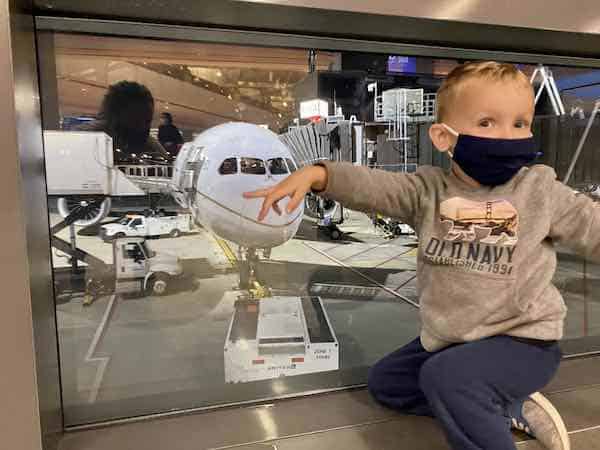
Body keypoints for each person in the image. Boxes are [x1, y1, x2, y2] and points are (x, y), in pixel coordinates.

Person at [243, 61, 595, 450]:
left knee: (448, 379)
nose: (508, 137)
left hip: (522, 341)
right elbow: (374, 186)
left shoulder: (539, 191)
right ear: (444, 137)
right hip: (453, 341)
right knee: (388, 384)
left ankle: (485, 404)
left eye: (520, 123)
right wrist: (317, 175)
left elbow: (590, 225)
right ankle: (503, 406)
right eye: (487, 123)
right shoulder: (428, 191)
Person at [75, 80, 169, 163]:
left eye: (147, 121)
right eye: (140, 121)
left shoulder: (82, 138)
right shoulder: (151, 146)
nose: (145, 126)